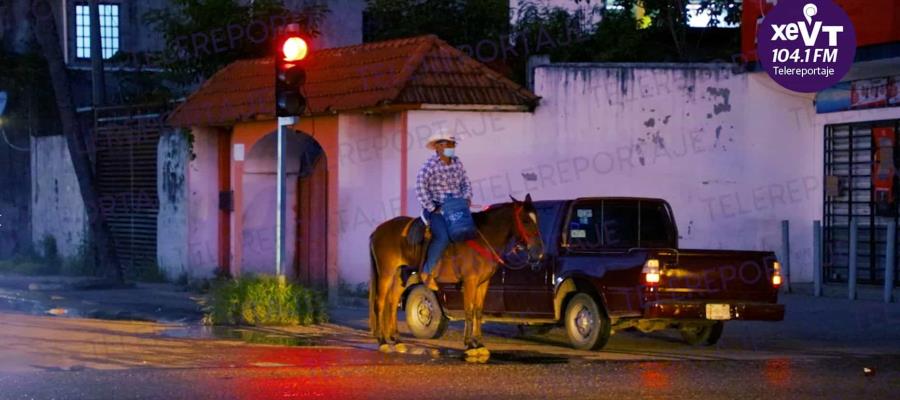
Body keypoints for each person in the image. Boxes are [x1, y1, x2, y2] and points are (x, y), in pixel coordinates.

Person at [415, 129, 473, 291]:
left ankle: (461, 271)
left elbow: (465, 183)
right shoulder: (429, 166)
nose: (451, 147)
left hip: (456, 207)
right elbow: (420, 188)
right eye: (448, 144)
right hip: (437, 209)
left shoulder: (457, 163)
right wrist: (433, 208)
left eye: (452, 144)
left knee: (468, 232)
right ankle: (427, 272)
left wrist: (467, 197)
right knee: (443, 237)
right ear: (438, 147)